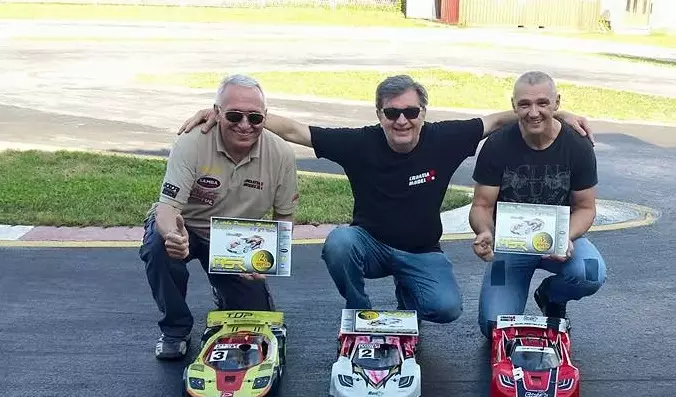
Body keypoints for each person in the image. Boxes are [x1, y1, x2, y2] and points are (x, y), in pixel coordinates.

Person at [178, 74, 593, 326]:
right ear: (379, 115)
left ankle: (407, 293)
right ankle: (358, 313)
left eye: (411, 112)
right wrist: (233, 114)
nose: (402, 120)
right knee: (339, 242)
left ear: (423, 112)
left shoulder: (446, 138)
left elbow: (500, 118)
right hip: (370, 246)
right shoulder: (360, 143)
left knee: (447, 309)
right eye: (392, 113)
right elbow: (296, 131)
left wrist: (558, 115)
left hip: (422, 252)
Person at [142, 74, 299, 360]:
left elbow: (284, 217)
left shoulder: (282, 155)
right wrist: (172, 234)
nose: (244, 125)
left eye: (254, 118)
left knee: (257, 321)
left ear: (265, 117)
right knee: (158, 246)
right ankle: (175, 329)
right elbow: (167, 208)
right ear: (216, 112)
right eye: (234, 116)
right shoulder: (191, 143)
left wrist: (271, 258)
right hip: (188, 228)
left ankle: (224, 291)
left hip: (236, 241)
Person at [468, 71, 607, 338]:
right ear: (513, 105)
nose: (534, 113)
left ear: (557, 102)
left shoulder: (577, 145)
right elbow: (482, 205)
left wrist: (565, 236)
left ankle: (551, 296)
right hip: (510, 245)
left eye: (542, 103)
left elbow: (586, 208)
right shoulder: (497, 144)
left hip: (559, 240)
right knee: (494, 326)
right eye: (525, 104)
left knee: (591, 273)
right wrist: (485, 230)